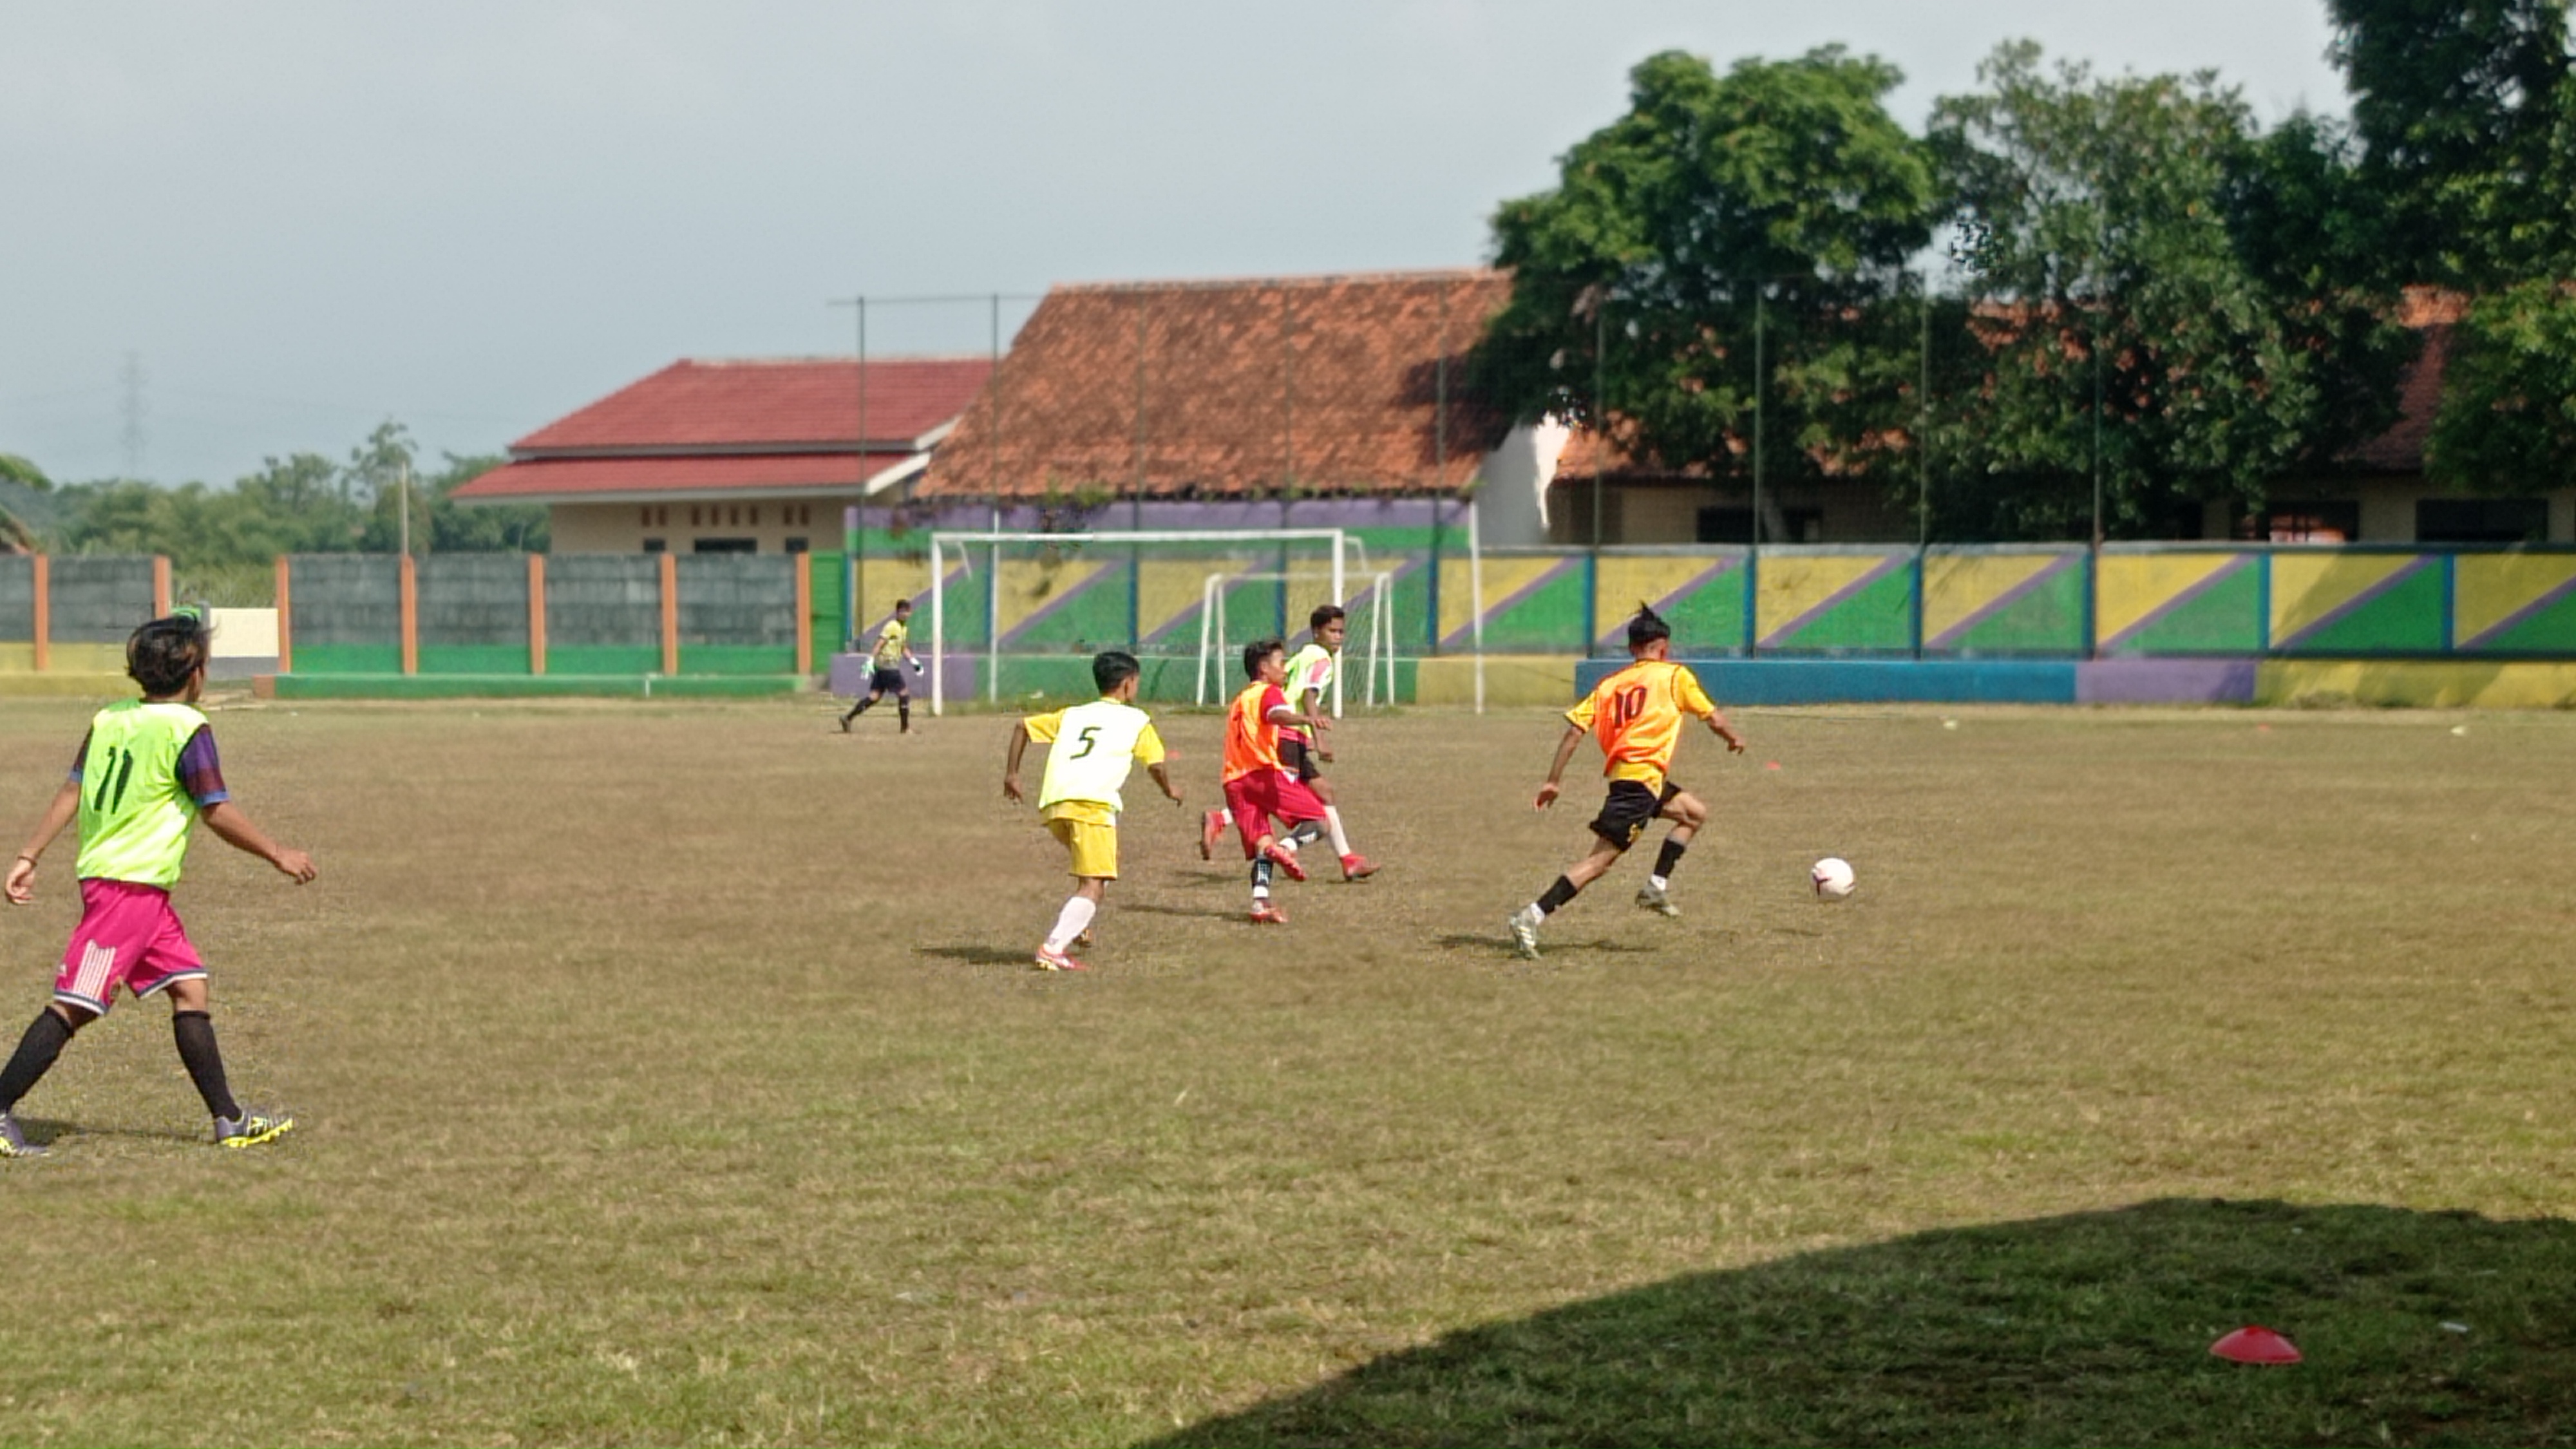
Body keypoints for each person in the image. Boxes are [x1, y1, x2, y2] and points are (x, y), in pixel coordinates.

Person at [0, 613, 317, 1159]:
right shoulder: (186, 729)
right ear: (193, 672)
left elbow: (72, 790)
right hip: (127, 890)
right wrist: (276, 853)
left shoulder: (110, 720)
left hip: (136, 890)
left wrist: (30, 853)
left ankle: (229, 1118)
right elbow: (215, 811)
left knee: (190, 988)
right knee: (74, 1004)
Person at [1508, 604, 1745, 961]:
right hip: (1639, 786)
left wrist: (1553, 782)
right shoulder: (1674, 676)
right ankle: (1531, 916)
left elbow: (1574, 732)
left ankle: (1655, 887)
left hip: (1635, 780)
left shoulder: (1609, 685)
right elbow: (1712, 717)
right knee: (1597, 863)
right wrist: (1733, 738)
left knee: (1694, 814)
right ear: (1663, 647)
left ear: (1633, 648)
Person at [1003, 650, 1183, 971]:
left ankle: (1079, 921)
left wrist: (1012, 774)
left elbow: (1022, 727)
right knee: (1095, 883)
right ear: (1128, 684)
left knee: (1103, 866)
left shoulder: (1073, 714)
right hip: (1092, 805)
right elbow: (1156, 766)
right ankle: (1054, 947)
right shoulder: (1137, 721)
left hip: (1056, 805)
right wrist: (1170, 790)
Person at [1202, 605, 1377, 880]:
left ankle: (1347, 860)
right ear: (1317, 632)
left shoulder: (1304, 653)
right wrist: (1317, 735)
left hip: (1290, 732)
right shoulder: (1322, 660)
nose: (1339, 637)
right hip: (1288, 734)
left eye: (1342, 632)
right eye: (1332, 631)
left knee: (1325, 793)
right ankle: (1232, 823)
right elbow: (1309, 694)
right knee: (1277, 794)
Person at [1220, 638, 1329, 925]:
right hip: (1262, 775)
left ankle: (1260, 904)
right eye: (1281, 663)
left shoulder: (1239, 700)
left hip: (1233, 781)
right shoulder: (1269, 692)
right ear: (1264, 668)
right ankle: (1287, 848)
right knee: (1319, 821)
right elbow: (1275, 714)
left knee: (1263, 844)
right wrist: (1305, 718)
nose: (1285, 670)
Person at [840, 598, 923, 734]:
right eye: (902, 611)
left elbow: (903, 648)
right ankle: (905, 728)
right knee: (904, 694)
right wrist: (870, 659)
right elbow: (879, 643)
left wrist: (914, 662)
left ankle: (848, 718)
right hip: (888, 666)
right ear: (897, 612)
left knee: (874, 696)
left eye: (907, 611)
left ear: (910, 613)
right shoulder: (891, 626)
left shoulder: (903, 628)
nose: (905, 614)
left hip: (885, 668)